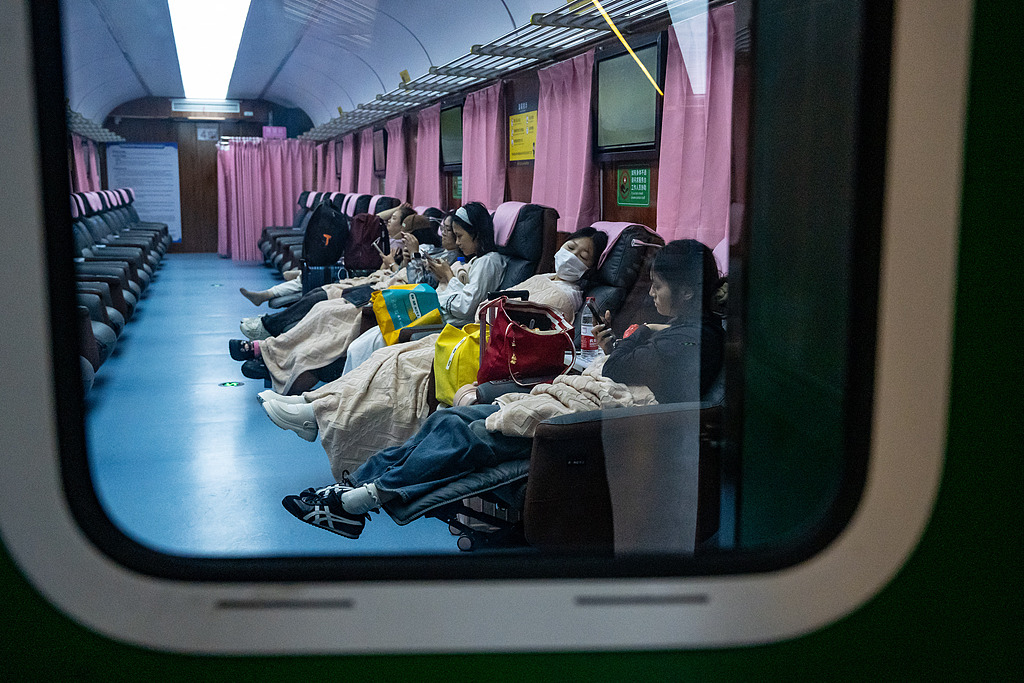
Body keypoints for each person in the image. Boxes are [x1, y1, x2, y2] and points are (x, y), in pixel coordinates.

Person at [280, 239, 725, 539]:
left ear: (687, 293)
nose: (651, 295)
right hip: (582, 401)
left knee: (464, 433)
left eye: (659, 286)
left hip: (591, 428)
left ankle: (362, 500)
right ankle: (355, 488)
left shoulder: (694, 340)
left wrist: (636, 338)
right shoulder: (678, 331)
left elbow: (625, 369)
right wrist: (635, 341)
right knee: (448, 417)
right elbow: (627, 363)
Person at [260, 228, 609, 476]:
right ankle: (313, 404)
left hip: (493, 351)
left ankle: (318, 412)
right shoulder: (544, 278)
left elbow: (516, 326)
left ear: (590, 268)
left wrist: (454, 280)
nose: (573, 256)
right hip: (477, 335)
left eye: (584, 256)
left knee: (402, 366)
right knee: (387, 356)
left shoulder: (564, 296)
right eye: (572, 247)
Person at [229, 213, 453, 393]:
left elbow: (422, 288)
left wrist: (413, 258)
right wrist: (401, 262)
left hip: (395, 302)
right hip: (385, 288)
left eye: (450, 231)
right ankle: (268, 346)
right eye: (443, 228)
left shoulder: (452, 261)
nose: (443, 233)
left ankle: (270, 350)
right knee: (320, 305)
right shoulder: (435, 251)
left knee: (326, 314)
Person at [338, 201, 506, 376]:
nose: (457, 242)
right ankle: (346, 386)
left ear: (476, 233)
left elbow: (466, 307)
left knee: (363, 347)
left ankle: (350, 386)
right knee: (359, 344)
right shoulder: (476, 260)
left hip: (442, 322)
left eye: (459, 236)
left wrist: (448, 276)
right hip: (432, 314)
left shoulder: (489, 262)